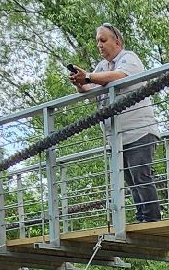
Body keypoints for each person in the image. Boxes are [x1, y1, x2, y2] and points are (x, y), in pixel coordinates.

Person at [69, 23, 162, 222]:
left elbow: (119, 77)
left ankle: (152, 219)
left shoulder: (129, 58)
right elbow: (90, 88)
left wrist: (88, 76)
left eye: (103, 40)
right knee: (129, 179)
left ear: (117, 41)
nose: (99, 46)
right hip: (117, 137)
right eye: (97, 42)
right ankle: (141, 217)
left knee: (140, 175)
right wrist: (80, 83)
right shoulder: (102, 67)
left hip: (139, 131)